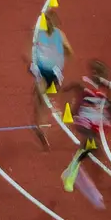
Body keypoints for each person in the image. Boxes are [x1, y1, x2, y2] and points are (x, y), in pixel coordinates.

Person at [61, 59, 111, 192]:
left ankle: (70, 171)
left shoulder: (106, 86)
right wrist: (66, 90)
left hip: (95, 121)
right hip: (83, 119)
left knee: (91, 148)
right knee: (90, 143)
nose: (104, 77)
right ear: (94, 73)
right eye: (101, 74)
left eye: (104, 75)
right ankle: (70, 174)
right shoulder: (85, 81)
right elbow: (76, 86)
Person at [27, 9, 74, 151]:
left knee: (46, 97)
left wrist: (61, 56)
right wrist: (32, 64)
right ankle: (40, 125)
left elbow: (70, 52)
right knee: (41, 100)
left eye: (48, 21)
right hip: (43, 72)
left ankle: (44, 115)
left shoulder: (59, 35)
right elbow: (30, 51)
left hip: (53, 73)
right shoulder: (39, 34)